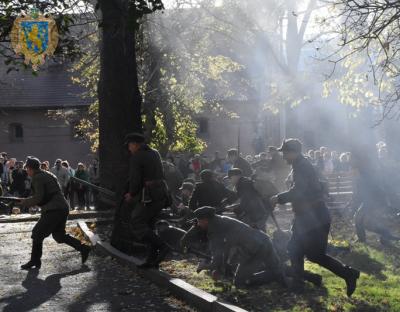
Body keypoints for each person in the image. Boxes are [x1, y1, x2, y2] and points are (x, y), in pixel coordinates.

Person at [270, 139, 360, 297]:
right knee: (296, 249)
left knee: (312, 254)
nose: (284, 156)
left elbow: (299, 191)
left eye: (285, 152)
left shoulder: (302, 167)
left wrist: (279, 198)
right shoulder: (300, 165)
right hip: (309, 217)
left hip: (313, 218)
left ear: (294, 152)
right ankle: (299, 285)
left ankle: (348, 274)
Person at [18, 156, 90, 270]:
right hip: (61, 207)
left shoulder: (38, 177)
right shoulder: (46, 174)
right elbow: (44, 196)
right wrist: (28, 201)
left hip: (54, 209)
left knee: (37, 233)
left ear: (31, 168)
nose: (26, 170)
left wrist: (25, 202)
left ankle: (35, 260)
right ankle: (83, 248)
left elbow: (39, 197)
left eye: (27, 168)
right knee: (59, 236)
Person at [190, 206, 287, 288]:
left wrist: (205, 266)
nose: (198, 224)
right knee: (278, 272)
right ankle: (284, 275)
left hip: (256, 249)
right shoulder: (221, 220)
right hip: (263, 239)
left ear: (206, 220)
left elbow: (217, 256)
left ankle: (275, 275)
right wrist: (218, 268)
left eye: (199, 221)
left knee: (240, 283)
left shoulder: (214, 230)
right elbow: (223, 251)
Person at [118, 132, 170, 268]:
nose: (129, 148)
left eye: (129, 145)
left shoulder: (137, 156)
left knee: (137, 221)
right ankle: (152, 260)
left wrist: (131, 193)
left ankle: (163, 246)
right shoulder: (155, 152)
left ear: (135, 144)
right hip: (161, 193)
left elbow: (135, 179)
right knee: (149, 225)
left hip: (149, 195)